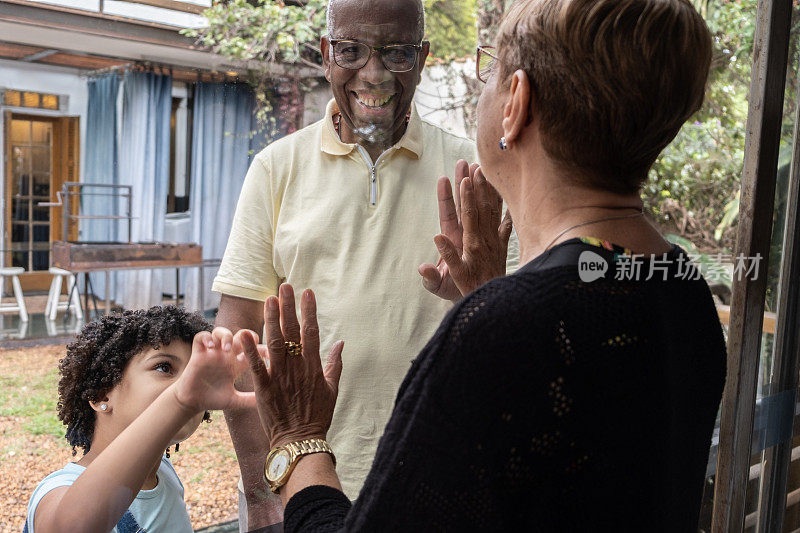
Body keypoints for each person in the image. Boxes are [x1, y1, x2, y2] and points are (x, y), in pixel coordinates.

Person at [236, 0, 728, 530]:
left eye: (490, 68)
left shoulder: (501, 327)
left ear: (515, 103)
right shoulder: (682, 286)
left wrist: (300, 439)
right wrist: (489, 297)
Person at [212, 0, 517, 528]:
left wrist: (481, 294)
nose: (372, 74)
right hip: (300, 491)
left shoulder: (477, 175)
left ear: (421, 59)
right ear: (328, 56)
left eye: (396, 53)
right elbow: (238, 344)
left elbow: (519, 340)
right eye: (352, 50)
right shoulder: (275, 168)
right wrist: (264, 498)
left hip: (438, 490)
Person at [23, 306, 259, 532]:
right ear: (100, 394)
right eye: (164, 367)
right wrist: (178, 400)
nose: (190, 381)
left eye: (194, 371)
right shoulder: (59, 489)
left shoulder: (162, 473)